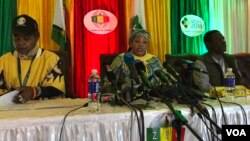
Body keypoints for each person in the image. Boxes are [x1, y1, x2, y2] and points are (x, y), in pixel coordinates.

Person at [102, 16, 174, 102]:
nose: (140, 45)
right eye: (137, 41)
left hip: (155, 100)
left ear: (147, 45)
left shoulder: (154, 59)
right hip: (128, 100)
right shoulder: (122, 58)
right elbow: (106, 82)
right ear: (130, 43)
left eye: (144, 42)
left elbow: (165, 80)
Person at [0, 14, 65, 103]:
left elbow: (57, 90)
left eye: (26, 38)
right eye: (16, 37)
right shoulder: (3, 60)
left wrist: (34, 91)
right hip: (12, 112)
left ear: (37, 37)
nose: (20, 42)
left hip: (43, 112)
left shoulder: (51, 59)